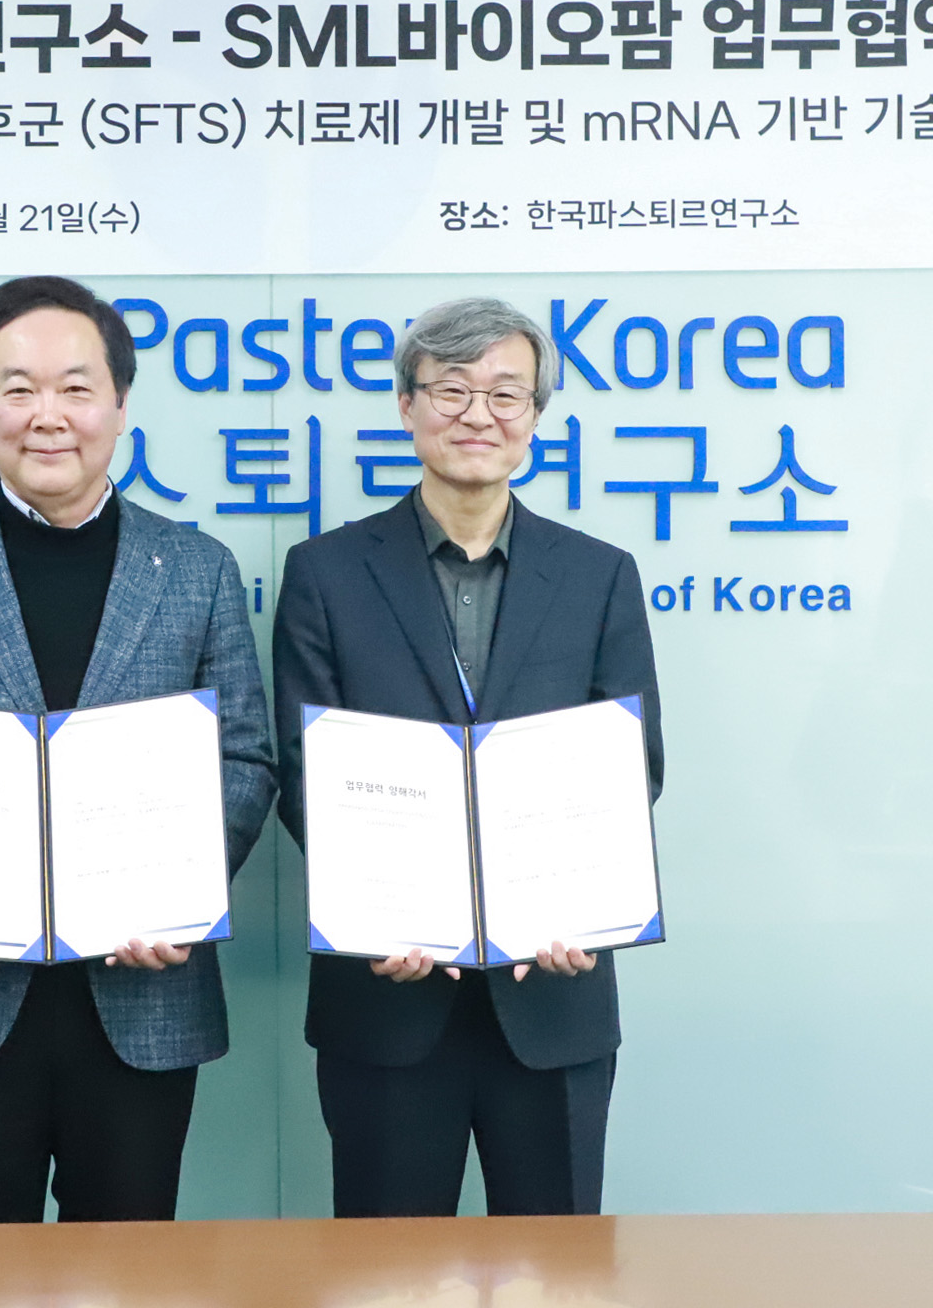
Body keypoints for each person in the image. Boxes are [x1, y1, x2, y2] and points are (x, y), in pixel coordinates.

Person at [0, 275, 275, 1224]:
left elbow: (244, 759)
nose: (48, 416)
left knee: (132, 1277)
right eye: (18, 388)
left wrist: (183, 893)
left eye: (76, 388)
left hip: (142, 996)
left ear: (120, 403)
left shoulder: (197, 569)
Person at [272, 295, 665, 1218]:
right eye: (451, 390)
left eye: (504, 393)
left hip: (555, 996)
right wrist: (379, 909)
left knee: (560, 1270)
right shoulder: (327, 573)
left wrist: (579, 901)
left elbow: (631, 763)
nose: (477, 414)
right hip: (385, 997)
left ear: (535, 415)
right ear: (408, 405)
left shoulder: (600, 574)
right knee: (384, 1272)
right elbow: (303, 769)